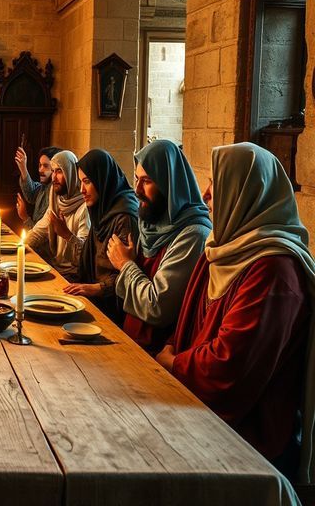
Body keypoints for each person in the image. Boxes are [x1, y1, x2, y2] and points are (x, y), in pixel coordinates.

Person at [157, 143, 315, 483]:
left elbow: (230, 369)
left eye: (217, 182)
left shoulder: (274, 270)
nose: (207, 193)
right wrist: (172, 351)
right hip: (191, 409)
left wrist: (172, 363)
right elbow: (185, 324)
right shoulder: (220, 249)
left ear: (248, 192)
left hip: (247, 445)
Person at [106, 140, 211, 354]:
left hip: (158, 356)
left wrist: (125, 265)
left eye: (146, 181)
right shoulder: (151, 223)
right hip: (134, 345)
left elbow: (158, 307)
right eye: (136, 179)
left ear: (169, 183)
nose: (137, 190)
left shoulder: (193, 233)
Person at [59, 149, 138, 323]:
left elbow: (128, 272)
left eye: (87, 182)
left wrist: (95, 288)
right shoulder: (101, 208)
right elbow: (91, 258)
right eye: (80, 182)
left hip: (113, 307)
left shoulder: (124, 216)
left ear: (103, 180)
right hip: (94, 296)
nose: (82, 190)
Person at [25, 150, 89, 280]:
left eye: (59, 171)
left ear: (71, 173)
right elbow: (38, 232)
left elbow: (84, 256)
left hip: (74, 276)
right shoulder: (56, 200)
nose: (54, 177)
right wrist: (20, 248)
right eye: (53, 171)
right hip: (55, 268)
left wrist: (66, 234)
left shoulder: (85, 207)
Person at [15, 146, 62, 230]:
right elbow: (32, 193)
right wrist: (23, 167)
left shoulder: (54, 193)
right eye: (40, 165)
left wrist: (25, 217)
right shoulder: (45, 186)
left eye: (46, 166)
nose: (40, 170)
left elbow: (40, 234)